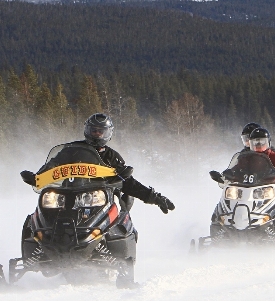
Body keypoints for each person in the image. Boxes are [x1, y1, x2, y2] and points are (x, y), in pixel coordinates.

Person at [25, 113, 175, 288]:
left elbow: (130, 183)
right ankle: (35, 251)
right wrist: (37, 177)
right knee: (39, 213)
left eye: (100, 131)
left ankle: (122, 260)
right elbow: (52, 165)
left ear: (108, 134)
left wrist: (155, 198)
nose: (97, 134)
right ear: (87, 131)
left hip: (97, 198)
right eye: (93, 130)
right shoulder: (71, 150)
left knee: (118, 213)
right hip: (67, 194)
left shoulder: (112, 156)